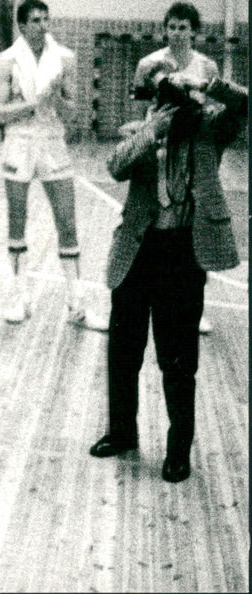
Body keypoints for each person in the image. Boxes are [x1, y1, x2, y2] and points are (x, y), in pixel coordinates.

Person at [89, 61, 246, 482]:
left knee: (178, 358)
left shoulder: (209, 129)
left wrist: (206, 85)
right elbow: (115, 167)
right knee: (123, 349)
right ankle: (122, 432)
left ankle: (178, 451)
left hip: (183, 251)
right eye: (161, 98)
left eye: (175, 97)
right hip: (139, 249)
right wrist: (150, 131)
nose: (169, 106)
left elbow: (245, 104)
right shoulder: (141, 131)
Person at [0, 0, 106, 329]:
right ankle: (20, 298)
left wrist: (56, 100)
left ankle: (77, 305)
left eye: (46, 18)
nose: (43, 25)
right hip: (18, 143)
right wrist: (32, 103)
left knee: (67, 223)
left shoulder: (65, 58)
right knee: (17, 221)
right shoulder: (7, 60)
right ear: (22, 25)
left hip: (53, 143)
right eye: (36, 20)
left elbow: (75, 113)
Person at [133, 0, 220, 334]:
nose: (177, 33)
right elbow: (140, 112)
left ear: (194, 31)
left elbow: (213, 112)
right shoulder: (148, 64)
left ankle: (195, 307)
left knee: (194, 227)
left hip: (193, 156)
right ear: (165, 28)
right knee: (151, 222)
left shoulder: (207, 67)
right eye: (171, 26)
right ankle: (149, 295)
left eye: (183, 27)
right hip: (157, 152)